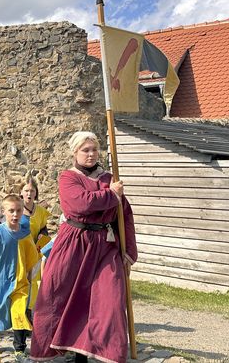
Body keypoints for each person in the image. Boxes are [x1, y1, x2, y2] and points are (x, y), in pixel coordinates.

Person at [30, 131, 137, 363]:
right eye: (85, 150)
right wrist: (111, 196)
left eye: (94, 150)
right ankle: (66, 350)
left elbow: (124, 215)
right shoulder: (68, 178)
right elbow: (81, 204)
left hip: (104, 246)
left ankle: (104, 350)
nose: (90, 154)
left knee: (109, 299)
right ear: (75, 152)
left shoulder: (110, 178)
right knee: (59, 295)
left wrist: (127, 251)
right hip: (74, 244)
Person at [0, 194, 39, 362]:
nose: (15, 214)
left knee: (19, 313)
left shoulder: (25, 235)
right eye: (11, 211)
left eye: (18, 211)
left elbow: (31, 259)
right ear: (3, 212)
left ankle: (19, 350)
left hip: (19, 283)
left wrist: (29, 277)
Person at [19, 176, 51, 312]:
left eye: (32, 191)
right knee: (21, 282)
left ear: (36, 193)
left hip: (36, 251)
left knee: (33, 282)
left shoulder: (41, 212)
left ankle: (30, 312)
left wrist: (43, 234)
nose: (29, 194)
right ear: (21, 192)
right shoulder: (16, 210)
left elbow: (44, 228)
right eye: (26, 190)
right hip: (20, 252)